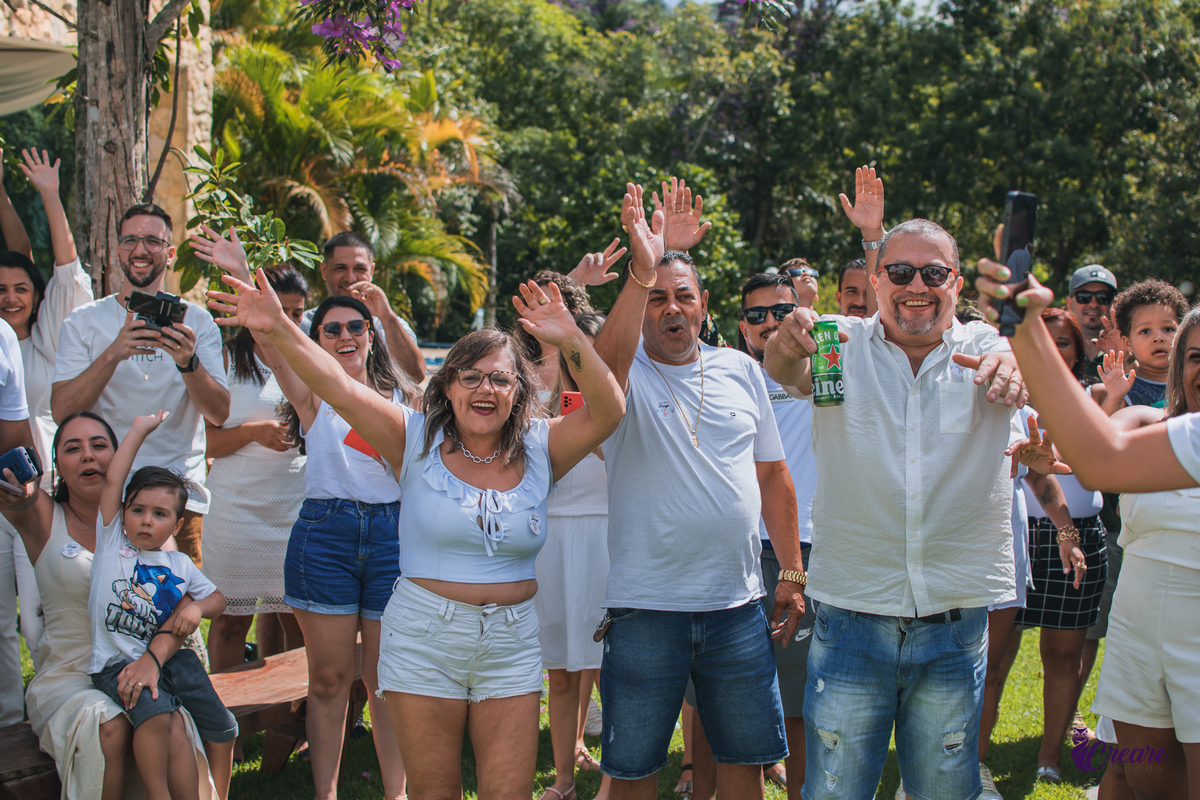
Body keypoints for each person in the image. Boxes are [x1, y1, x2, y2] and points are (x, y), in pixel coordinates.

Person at [206, 264, 625, 800]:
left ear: (518, 391)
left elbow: (609, 410)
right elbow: (335, 386)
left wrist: (569, 338)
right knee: (434, 792)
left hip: (512, 639)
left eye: (500, 378)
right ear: (447, 386)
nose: (485, 389)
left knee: (509, 793)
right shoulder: (412, 438)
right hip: (424, 638)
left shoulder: (543, 445)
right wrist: (279, 329)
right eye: (470, 376)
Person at [764, 217, 1027, 800]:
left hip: (953, 619)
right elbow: (785, 369)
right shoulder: (838, 341)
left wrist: (1015, 366)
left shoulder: (985, 348)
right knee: (835, 791)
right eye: (901, 271)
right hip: (852, 613)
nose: (917, 285)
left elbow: (1019, 367)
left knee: (941, 791)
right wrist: (783, 343)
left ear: (956, 282)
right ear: (877, 279)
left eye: (934, 272)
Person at [593, 181, 804, 800]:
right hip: (644, 608)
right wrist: (641, 269)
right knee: (631, 771)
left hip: (736, 608)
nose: (670, 310)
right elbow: (600, 368)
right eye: (655, 299)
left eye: (682, 296)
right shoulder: (624, 371)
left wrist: (790, 572)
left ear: (704, 303)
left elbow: (772, 474)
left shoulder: (742, 369)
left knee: (745, 763)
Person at [973, 258, 1200, 800]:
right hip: (1139, 627)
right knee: (1134, 769)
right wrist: (1055, 451)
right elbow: (1100, 444)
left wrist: (1021, 327)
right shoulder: (1158, 423)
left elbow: (1101, 456)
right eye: (1196, 357)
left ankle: (1057, 752)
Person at [0, 411, 219, 800]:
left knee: (170, 723)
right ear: (58, 465)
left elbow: (180, 612)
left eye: (99, 445)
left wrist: (151, 662)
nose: (88, 456)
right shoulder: (41, 515)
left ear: (117, 458)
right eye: (73, 448)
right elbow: (19, 497)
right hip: (69, 674)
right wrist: (13, 490)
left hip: (138, 662)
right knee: (109, 725)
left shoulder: (148, 527)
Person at [51, 203, 231, 567]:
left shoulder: (197, 322)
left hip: (178, 495)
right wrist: (114, 353)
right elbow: (61, 412)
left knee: (176, 611)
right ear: (118, 250)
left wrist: (187, 362)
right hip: (103, 493)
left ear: (168, 253)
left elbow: (219, 413)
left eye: (152, 240)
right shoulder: (83, 322)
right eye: (130, 240)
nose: (140, 249)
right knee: (102, 603)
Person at [87, 410, 237, 800]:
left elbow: (218, 599)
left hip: (174, 661)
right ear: (122, 513)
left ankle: (219, 794)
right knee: (156, 715)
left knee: (224, 725)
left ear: (175, 525)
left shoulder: (180, 564)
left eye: (159, 514)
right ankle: (159, 794)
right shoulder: (112, 542)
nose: (146, 521)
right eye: (137, 510)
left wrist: (195, 610)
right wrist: (137, 432)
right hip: (115, 664)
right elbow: (115, 480)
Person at [0, 149, 92, 678]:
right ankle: (11, 721)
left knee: (41, 615)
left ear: (36, 298)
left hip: (45, 484)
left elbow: (65, 270)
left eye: (21, 290)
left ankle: (56, 704)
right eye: (2, 291)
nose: (12, 298)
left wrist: (50, 197)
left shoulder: (51, 337)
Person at [734, 272, 819, 800]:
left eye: (780, 311)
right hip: (741, 548)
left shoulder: (820, 365)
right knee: (731, 692)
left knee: (800, 700)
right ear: (742, 326)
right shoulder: (729, 374)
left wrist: (873, 240)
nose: (769, 322)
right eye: (756, 315)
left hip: (809, 544)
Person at [203, 265, 309, 679]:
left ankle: (294, 729)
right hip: (235, 510)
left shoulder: (310, 356)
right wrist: (252, 432)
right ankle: (229, 736)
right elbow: (202, 442)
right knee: (229, 620)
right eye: (281, 309)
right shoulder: (225, 357)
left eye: (298, 312)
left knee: (297, 623)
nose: (289, 319)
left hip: (294, 510)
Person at [535, 311, 613, 800]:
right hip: (551, 541)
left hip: (607, 536)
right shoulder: (534, 402)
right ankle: (564, 777)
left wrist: (599, 426)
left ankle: (613, 781)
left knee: (614, 671)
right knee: (560, 671)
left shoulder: (621, 402)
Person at [305, 231, 425, 382]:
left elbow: (414, 377)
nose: (350, 278)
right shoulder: (303, 323)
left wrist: (387, 317)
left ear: (372, 271)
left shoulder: (388, 324)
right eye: (340, 268)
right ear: (324, 271)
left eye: (359, 269)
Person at [1090, 279, 1188, 413]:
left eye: (1168, 329)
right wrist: (1114, 398)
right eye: (1145, 331)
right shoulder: (1124, 387)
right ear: (1128, 344)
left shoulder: (1192, 379)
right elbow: (1108, 430)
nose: (1158, 338)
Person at [1066, 265, 1119, 367]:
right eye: (1084, 297)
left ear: (1114, 304)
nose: (1094, 304)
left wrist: (1126, 358)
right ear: (1069, 303)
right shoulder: (1053, 348)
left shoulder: (1133, 348)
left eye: (1103, 297)